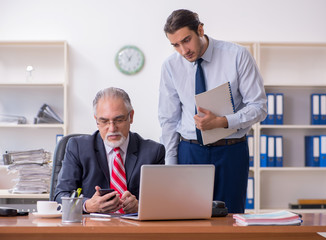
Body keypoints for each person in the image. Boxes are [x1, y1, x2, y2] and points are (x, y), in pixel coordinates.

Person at [158, 9, 267, 213]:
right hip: (190, 152)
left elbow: (259, 107)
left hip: (231, 151)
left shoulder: (237, 56)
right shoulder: (170, 66)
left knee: (230, 220)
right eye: (175, 45)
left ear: (200, 29)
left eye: (186, 40)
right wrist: (170, 165)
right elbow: (169, 120)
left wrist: (223, 121)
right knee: (188, 220)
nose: (183, 50)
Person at [55, 87, 165, 213]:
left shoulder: (154, 152)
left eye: (119, 120)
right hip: (92, 228)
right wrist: (86, 205)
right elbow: (59, 196)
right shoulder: (77, 148)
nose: (112, 128)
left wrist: (140, 206)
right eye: (104, 121)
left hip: (135, 229)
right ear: (96, 120)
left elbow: (161, 202)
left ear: (131, 116)